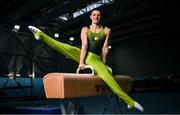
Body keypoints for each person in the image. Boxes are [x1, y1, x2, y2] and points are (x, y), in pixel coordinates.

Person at [28, 9, 144, 112]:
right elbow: (84, 45)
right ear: (90, 17)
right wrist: (82, 62)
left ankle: (130, 102)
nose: (96, 17)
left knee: (111, 81)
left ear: (100, 17)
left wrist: (104, 64)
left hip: (96, 60)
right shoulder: (85, 29)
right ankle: (40, 34)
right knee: (65, 47)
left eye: (98, 15)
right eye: (94, 15)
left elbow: (104, 49)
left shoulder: (107, 30)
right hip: (85, 55)